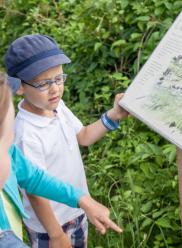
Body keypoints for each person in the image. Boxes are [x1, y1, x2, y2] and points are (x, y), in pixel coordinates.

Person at [5, 34, 128, 248]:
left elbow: (83, 136)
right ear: (20, 87)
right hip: (50, 225)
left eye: (59, 78)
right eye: (43, 83)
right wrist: (55, 235)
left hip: (77, 209)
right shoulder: (25, 133)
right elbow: (34, 189)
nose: (55, 89)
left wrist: (114, 116)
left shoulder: (57, 107)